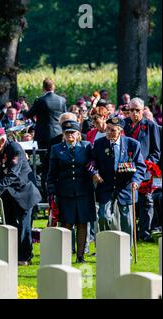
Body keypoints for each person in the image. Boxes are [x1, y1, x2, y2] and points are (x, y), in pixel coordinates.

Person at [0, 128, 42, 265]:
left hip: (24, 192)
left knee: (24, 226)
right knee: (9, 224)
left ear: (2, 141)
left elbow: (13, 174)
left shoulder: (15, 148)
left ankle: (25, 256)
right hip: (8, 193)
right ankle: (14, 254)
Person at [91, 117, 146, 248]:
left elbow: (140, 166)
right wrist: (94, 173)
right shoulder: (99, 144)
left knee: (127, 220)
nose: (109, 132)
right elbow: (92, 162)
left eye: (113, 130)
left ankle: (127, 250)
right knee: (104, 216)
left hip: (126, 187)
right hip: (106, 185)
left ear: (120, 131)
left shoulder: (132, 144)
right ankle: (107, 246)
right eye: (108, 129)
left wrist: (135, 181)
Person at [47, 120, 96, 263]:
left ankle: (80, 256)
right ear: (63, 134)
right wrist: (51, 192)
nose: (70, 135)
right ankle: (65, 255)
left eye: (72, 132)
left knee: (82, 223)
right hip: (65, 192)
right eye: (67, 133)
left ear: (78, 134)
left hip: (83, 191)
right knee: (66, 224)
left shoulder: (86, 147)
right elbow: (52, 173)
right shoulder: (57, 149)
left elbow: (93, 164)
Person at [124, 97, 161, 242]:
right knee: (128, 202)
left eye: (137, 110)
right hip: (126, 169)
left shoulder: (150, 126)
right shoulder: (123, 125)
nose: (134, 113)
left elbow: (156, 151)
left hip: (144, 170)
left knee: (146, 202)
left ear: (143, 110)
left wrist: (146, 164)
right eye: (131, 110)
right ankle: (129, 232)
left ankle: (144, 233)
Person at [24, 78, 66, 198]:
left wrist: (24, 108)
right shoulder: (62, 100)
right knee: (56, 163)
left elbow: (28, 115)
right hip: (58, 135)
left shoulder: (40, 100)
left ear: (43, 88)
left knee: (45, 166)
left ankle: (46, 194)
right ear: (54, 87)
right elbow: (65, 116)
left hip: (43, 137)